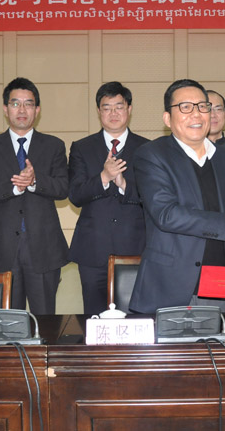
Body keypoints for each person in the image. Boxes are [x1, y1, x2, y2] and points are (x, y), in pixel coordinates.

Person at [128, 79, 225, 314]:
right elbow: (166, 214)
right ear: (167, 118)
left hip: (220, 286)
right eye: (185, 107)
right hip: (170, 287)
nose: (196, 114)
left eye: (202, 106)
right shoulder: (151, 155)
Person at [0, 77, 69, 314]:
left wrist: (35, 181)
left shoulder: (54, 145)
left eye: (29, 104)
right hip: (3, 247)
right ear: (5, 109)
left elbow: (63, 188)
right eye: (15, 103)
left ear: (37, 110)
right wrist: (15, 187)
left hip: (44, 246)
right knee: (9, 320)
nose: (22, 110)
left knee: (44, 319)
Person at [68, 82, 149, 315]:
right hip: (92, 248)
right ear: (98, 111)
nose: (113, 113)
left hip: (136, 246)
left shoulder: (147, 148)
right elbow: (75, 195)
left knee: (134, 318)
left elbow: (154, 198)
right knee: (95, 318)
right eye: (107, 108)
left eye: (119, 107)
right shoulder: (81, 148)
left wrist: (124, 185)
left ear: (129, 109)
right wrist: (103, 177)